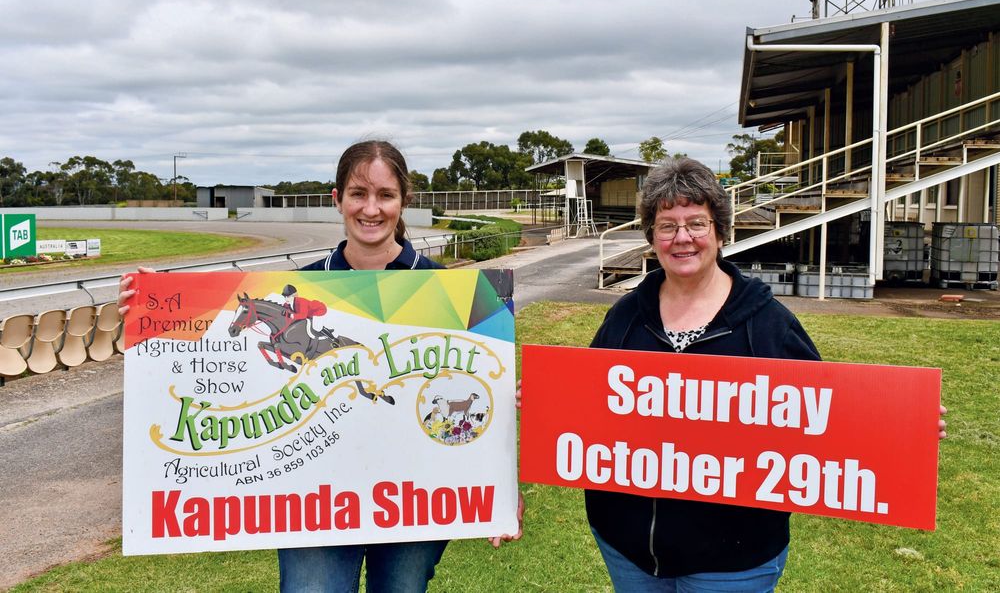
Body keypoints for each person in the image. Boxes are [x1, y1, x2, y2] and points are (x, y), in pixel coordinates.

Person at [120, 140, 522, 593]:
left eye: (385, 195)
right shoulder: (302, 284)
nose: (371, 209)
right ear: (337, 200)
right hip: (317, 496)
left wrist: (500, 480)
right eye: (358, 194)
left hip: (415, 493)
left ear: (404, 201)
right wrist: (148, 310)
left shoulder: (461, 294)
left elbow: (480, 390)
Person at [562, 156, 946, 592]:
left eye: (696, 223)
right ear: (652, 236)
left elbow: (826, 418)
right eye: (667, 225)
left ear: (720, 232)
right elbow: (588, 404)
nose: (682, 238)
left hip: (733, 560)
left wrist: (902, 424)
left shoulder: (769, 324)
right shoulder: (625, 317)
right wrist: (546, 401)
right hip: (628, 549)